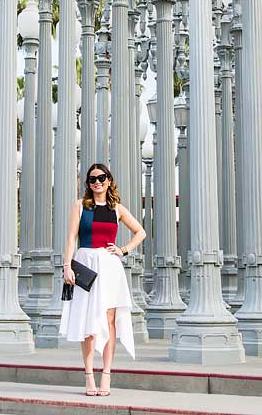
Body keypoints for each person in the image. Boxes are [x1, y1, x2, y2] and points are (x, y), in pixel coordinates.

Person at [59, 162, 146, 397]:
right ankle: (89, 375)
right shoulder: (80, 206)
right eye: (92, 179)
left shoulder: (116, 208)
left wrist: (124, 250)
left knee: (109, 320)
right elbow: (70, 239)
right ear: (88, 183)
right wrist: (67, 267)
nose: (97, 182)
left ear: (109, 180)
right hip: (85, 263)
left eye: (101, 177)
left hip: (109, 267)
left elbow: (141, 231)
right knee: (88, 321)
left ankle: (106, 374)